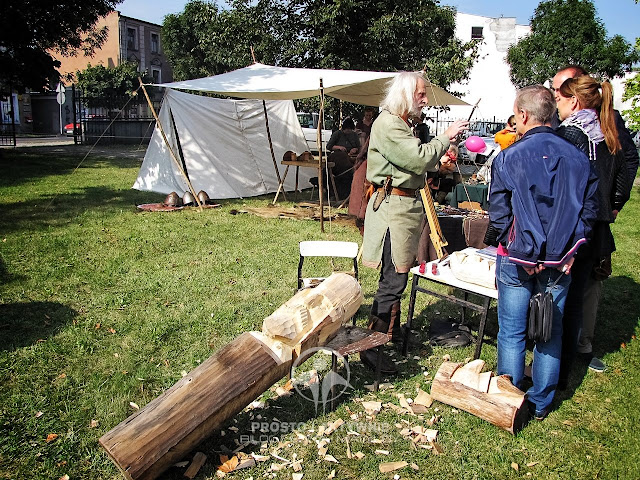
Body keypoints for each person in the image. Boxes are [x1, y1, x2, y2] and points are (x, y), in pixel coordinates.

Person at [484, 85, 598, 420]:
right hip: (554, 261)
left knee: (514, 330)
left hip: (530, 260)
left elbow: (498, 212)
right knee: (550, 332)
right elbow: (588, 212)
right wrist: (568, 250)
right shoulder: (579, 157)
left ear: (522, 115)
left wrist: (528, 251)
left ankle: (514, 401)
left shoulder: (509, 156)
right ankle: (537, 404)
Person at [359, 72, 468, 374]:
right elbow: (416, 159)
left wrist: (439, 161)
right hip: (392, 210)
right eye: (420, 93)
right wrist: (446, 136)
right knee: (392, 280)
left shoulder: (402, 124)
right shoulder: (388, 123)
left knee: (398, 277)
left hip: (404, 207)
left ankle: (387, 335)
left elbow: (415, 162)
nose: (425, 98)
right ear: (405, 95)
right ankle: (371, 347)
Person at [551, 65, 639, 373]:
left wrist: (616, 201)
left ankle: (566, 353)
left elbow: (627, 161)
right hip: (593, 216)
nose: (554, 98)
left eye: (558, 93)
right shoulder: (593, 127)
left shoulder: (592, 128)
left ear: (573, 97)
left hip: (578, 221)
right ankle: (564, 356)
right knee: (575, 291)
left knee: (575, 288)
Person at [325, 117, 360, 199]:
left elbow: (358, 147)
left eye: (350, 129)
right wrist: (339, 147)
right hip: (338, 157)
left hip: (350, 157)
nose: (348, 131)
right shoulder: (337, 134)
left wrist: (354, 149)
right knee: (345, 167)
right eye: (347, 129)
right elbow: (329, 146)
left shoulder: (354, 135)